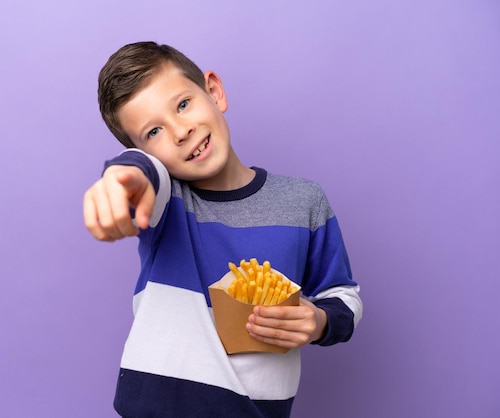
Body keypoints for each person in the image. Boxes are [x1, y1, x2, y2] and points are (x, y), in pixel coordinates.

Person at [83, 41, 363, 418]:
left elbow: (343, 295)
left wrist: (318, 320)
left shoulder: (303, 201)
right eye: (154, 132)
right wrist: (121, 176)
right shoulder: (168, 202)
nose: (180, 131)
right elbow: (140, 173)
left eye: (183, 104)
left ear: (213, 91)